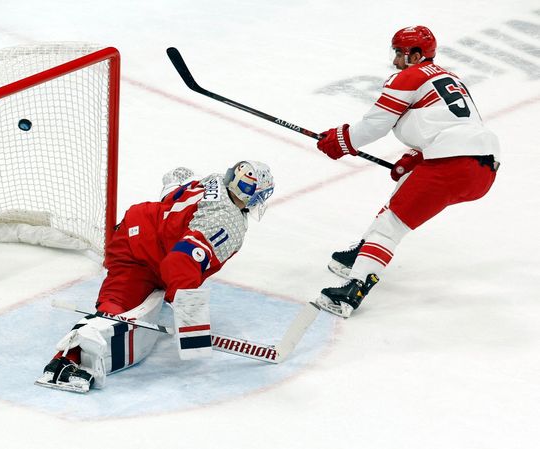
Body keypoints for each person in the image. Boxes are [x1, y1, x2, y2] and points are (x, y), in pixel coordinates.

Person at [36, 161, 275, 393]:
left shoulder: (213, 181)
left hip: (133, 230)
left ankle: (67, 357)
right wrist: (191, 324)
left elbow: (173, 188)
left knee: (118, 300)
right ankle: (71, 360)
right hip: (143, 257)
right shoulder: (226, 222)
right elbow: (180, 262)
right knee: (116, 310)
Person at [312, 25, 500, 319]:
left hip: (451, 164)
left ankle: (354, 290)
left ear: (415, 55)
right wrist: (417, 156)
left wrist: (341, 141)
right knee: (402, 195)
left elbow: (375, 124)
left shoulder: (409, 77)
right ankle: (363, 250)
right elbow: (452, 124)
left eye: (400, 52)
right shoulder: (450, 78)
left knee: (391, 225)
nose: (395, 59)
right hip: (483, 168)